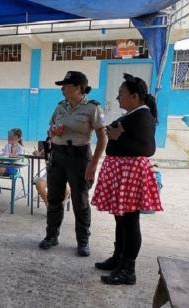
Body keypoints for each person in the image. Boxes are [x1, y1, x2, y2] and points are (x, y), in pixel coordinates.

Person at [92, 74, 162, 285]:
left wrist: (118, 136)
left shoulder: (142, 116)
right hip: (122, 173)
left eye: (121, 94)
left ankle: (128, 270)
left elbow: (148, 149)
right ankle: (119, 258)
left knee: (130, 222)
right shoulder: (133, 114)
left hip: (131, 175)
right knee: (120, 218)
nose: (118, 97)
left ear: (134, 96)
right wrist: (116, 133)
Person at [39, 71, 107, 257]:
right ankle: (51, 236)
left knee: (80, 200)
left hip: (79, 157)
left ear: (78, 88)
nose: (62, 89)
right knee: (54, 198)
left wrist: (93, 164)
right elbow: (50, 130)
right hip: (58, 155)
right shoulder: (60, 107)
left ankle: (83, 241)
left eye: (66, 85)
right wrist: (55, 131)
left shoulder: (92, 108)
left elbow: (102, 138)